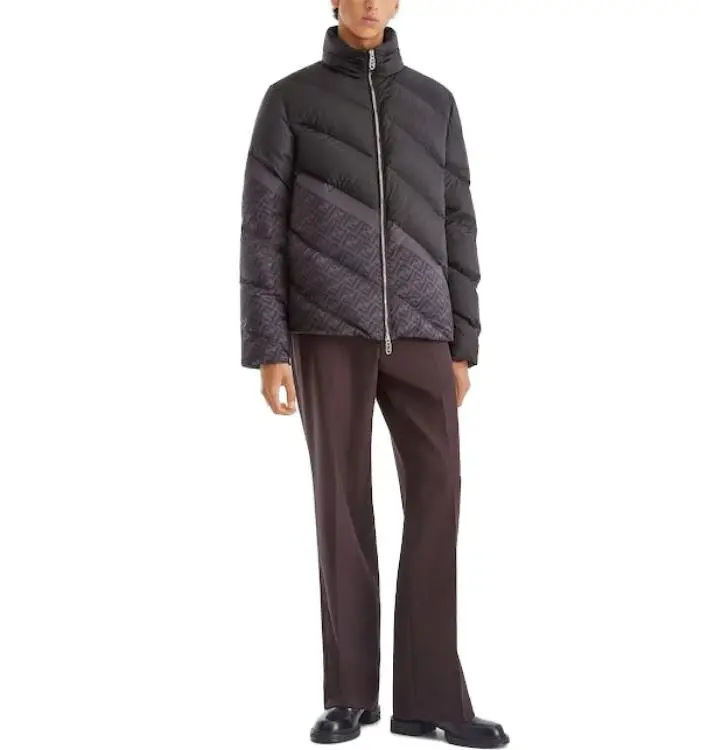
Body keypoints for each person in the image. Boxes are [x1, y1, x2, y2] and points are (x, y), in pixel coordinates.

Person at [239, 1, 509, 746]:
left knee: (438, 498)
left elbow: (458, 221)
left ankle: (431, 699)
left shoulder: (435, 103)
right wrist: (269, 347)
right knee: (342, 507)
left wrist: (463, 342)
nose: (367, 2)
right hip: (326, 328)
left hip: (423, 329)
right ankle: (350, 695)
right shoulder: (289, 99)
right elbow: (261, 227)